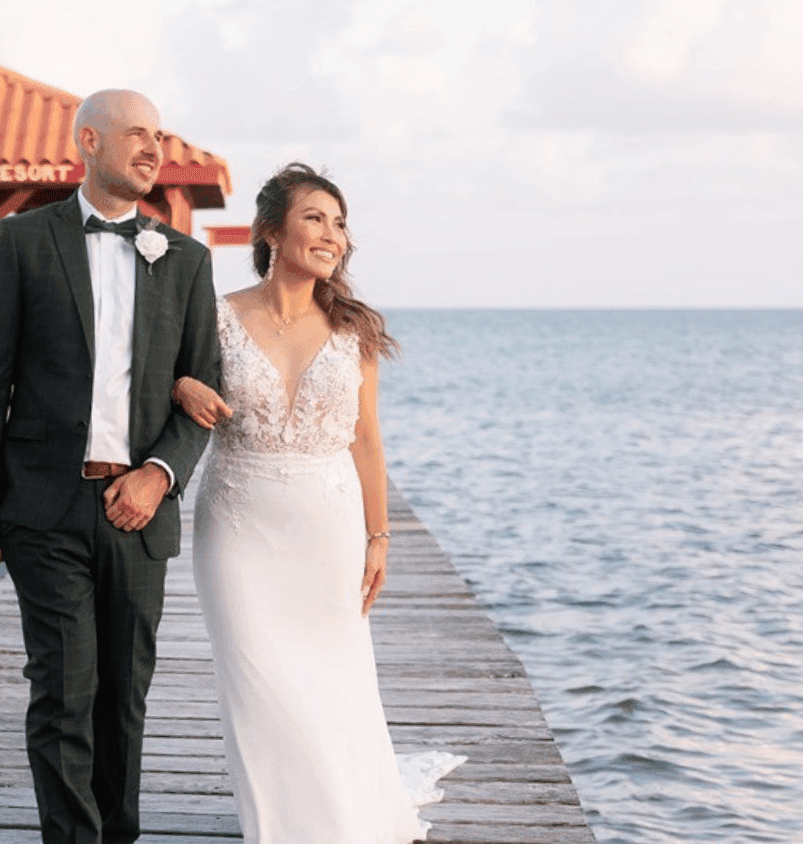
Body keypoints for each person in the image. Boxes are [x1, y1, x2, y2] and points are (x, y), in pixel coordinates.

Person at [0, 89, 222, 844]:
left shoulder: (186, 260)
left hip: (141, 512)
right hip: (43, 507)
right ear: (89, 141)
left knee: (123, 698)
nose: (153, 148)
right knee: (65, 689)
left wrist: (161, 473)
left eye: (160, 136)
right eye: (136, 133)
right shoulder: (22, 242)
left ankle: (119, 835)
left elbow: (204, 390)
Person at [171, 163, 463, 844]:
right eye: (315, 218)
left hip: (327, 529)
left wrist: (379, 537)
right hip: (238, 526)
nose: (332, 234)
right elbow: (163, 384)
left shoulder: (354, 329)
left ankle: (339, 817)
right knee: (259, 682)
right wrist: (183, 385)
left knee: (332, 680)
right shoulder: (214, 315)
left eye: (339, 223)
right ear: (270, 230)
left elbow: (366, 441)